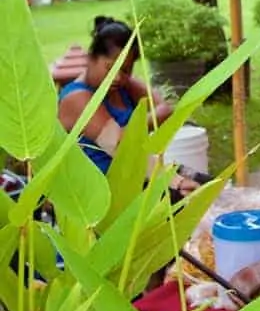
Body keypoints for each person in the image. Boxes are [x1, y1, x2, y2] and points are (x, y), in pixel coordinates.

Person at [58, 18, 197, 194]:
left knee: (206, 184)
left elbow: (165, 108)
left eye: (125, 70)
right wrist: (174, 180)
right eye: (110, 68)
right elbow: (119, 146)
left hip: (135, 174)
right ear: (90, 58)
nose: (117, 77)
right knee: (191, 199)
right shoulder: (77, 98)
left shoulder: (122, 85)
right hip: (99, 193)